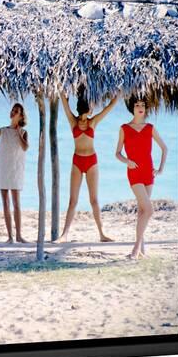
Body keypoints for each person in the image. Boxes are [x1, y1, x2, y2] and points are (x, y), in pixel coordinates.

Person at [55, 91, 118, 243]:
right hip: (77, 161)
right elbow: (64, 102)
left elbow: (109, 107)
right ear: (87, 108)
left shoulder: (92, 122)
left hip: (91, 162)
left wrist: (118, 94)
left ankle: (102, 234)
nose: (93, 109)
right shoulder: (74, 122)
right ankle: (64, 235)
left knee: (94, 200)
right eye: (91, 106)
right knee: (73, 200)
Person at [115, 96, 168, 259]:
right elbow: (117, 153)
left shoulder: (150, 128)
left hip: (148, 173)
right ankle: (135, 250)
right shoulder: (124, 128)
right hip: (134, 172)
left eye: (143, 105)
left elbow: (164, 148)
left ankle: (141, 251)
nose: (140, 108)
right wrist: (127, 161)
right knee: (149, 210)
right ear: (132, 108)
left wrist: (160, 169)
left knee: (142, 211)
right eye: (137, 105)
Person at [0, 103, 29, 243]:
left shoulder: (23, 132)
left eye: (17, 112)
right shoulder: (3, 130)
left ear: (21, 116)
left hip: (16, 169)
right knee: (5, 202)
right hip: (2, 167)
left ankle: (19, 235)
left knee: (16, 203)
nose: (13, 113)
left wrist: (19, 133)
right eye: (13, 110)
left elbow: (25, 148)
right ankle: (10, 237)